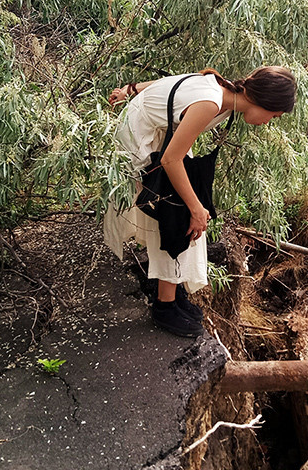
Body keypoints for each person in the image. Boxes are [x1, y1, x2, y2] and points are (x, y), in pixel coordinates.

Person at [105, 66, 297, 337]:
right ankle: (165, 305)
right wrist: (196, 208)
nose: (270, 121)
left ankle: (174, 287)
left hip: (164, 134)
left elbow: (171, 84)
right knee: (175, 212)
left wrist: (133, 88)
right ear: (264, 101)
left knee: (188, 207)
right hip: (141, 136)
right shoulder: (210, 102)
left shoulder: (222, 92)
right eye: (274, 115)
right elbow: (171, 160)